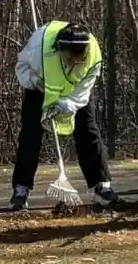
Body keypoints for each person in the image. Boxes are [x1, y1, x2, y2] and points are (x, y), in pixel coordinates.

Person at [11, 19, 117, 212]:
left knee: (88, 130)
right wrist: (36, 82)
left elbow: (85, 88)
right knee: (30, 134)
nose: (75, 62)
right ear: (60, 50)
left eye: (80, 57)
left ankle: (102, 185)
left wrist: (69, 104)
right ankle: (21, 188)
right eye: (70, 57)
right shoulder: (39, 48)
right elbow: (21, 67)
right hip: (40, 87)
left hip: (75, 91)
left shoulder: (93, 55)